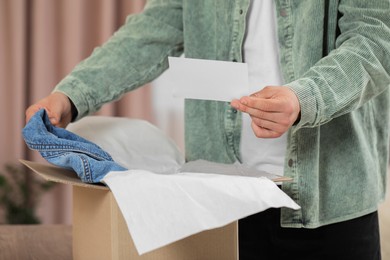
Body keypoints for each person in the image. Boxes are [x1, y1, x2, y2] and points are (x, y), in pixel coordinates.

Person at [25, 0, 390, 259]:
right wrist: (72, 94)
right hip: (221, 203)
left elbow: (375, 40)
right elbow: (151, 32)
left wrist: (302, 99)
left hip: (332, 202)